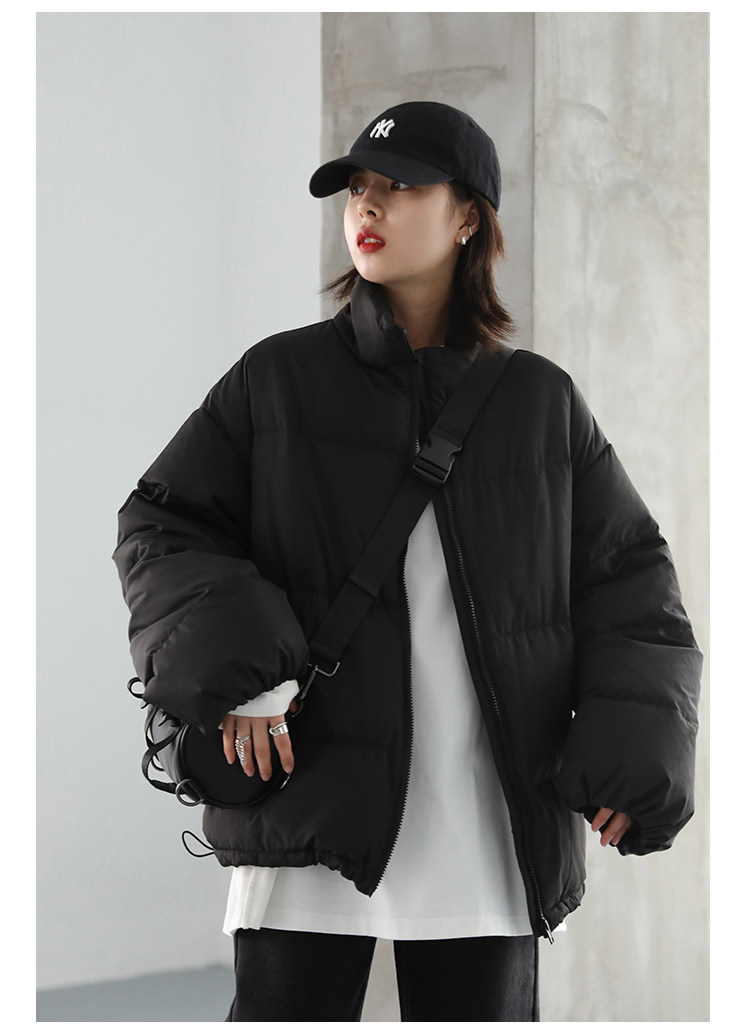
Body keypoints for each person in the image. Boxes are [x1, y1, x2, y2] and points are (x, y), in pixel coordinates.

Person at [112, 101, 702, 1022]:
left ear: (467, 216)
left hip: (487, 818)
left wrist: (635, 754)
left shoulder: (540, 403)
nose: (367, 206)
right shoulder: (278, 379)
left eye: (400, 185)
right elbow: (160, 523)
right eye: (358, 187)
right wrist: (247, 671)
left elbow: (631, 582)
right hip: (311, 801)